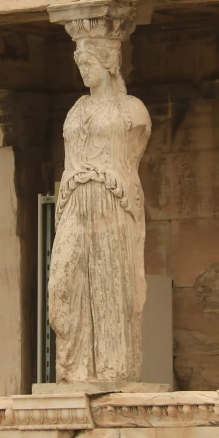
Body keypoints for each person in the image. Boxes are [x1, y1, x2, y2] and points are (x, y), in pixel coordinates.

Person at [49, 36, 151, 383]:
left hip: (112, 200)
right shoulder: (76, 109)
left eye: (89, 62)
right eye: (80, 63)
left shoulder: (133, 110)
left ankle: (112, 369)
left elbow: (132, 158)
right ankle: (74, 367)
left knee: (111, 285)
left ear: (109, 63)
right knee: (62, 286)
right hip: (75, 201)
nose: (83, 69)